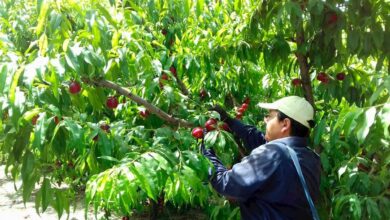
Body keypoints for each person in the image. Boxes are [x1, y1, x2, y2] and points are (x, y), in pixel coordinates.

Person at [201, 96, 321, 220]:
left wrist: (206, 147)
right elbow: (257, 139)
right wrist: (229, 121)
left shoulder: (273, 154)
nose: (265, 120)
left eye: (270, 116)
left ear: (285, 124)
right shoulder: (310, 157)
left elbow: (225, 183)